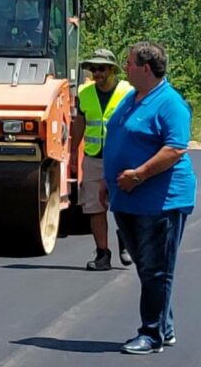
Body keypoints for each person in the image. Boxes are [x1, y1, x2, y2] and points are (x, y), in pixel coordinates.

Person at [103, 41, 197, 354]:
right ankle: (164, 327)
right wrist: (108, 181)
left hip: (160, 201)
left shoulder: (170, 103)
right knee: (147, 268)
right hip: (127, 198)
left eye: (129, 63)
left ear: (146, 68)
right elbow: (119, 137)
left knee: (157, 269)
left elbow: (174, 148)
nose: (125, 68)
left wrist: (139, 174)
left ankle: (152, 334)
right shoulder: (132, 98)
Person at [70, 48, 133, 271]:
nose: (97, 73)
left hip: (121, 159)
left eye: (101, 68)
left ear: (112, 70)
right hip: (94, 157)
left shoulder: (128, 92)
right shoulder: (85, 93)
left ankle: (126, 241)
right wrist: (73, 152)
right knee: (95, 208)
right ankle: (102, 255)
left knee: (123, 204)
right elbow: (80, 123)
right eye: (93, 68)